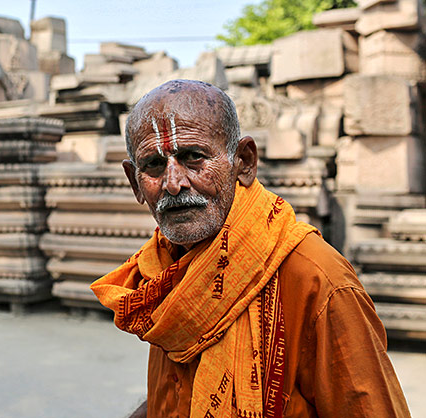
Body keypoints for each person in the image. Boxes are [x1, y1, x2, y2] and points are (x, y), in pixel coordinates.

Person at [90, 79, 410, 418]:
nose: (174, 182)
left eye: (193, 157)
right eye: (154, 165)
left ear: (243, 161)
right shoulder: (162, 270)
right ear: (134, 182)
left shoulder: (318, 279)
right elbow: (179, 395)